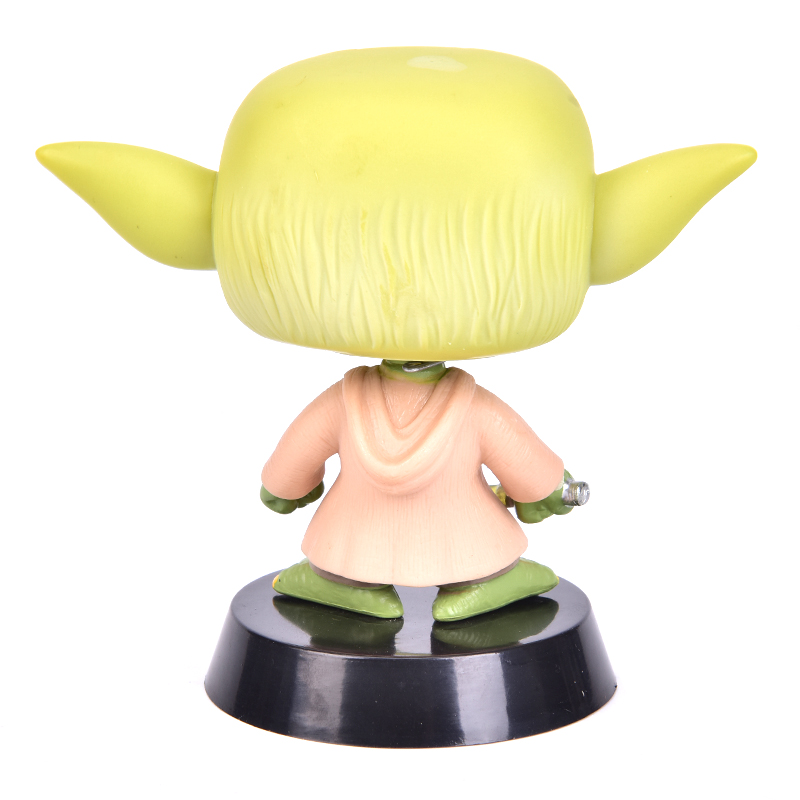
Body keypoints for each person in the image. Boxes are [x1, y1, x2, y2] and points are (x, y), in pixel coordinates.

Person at [36, 47, 756, 620]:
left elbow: (296, 458)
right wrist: (550, 492)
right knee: (491, 560)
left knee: (339, 558)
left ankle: (344, 586)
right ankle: (479, 588)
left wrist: (281, 490)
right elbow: (525, 464)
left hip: (352, 531)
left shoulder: (345, 401)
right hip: (463, 534)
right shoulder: (472, 408)